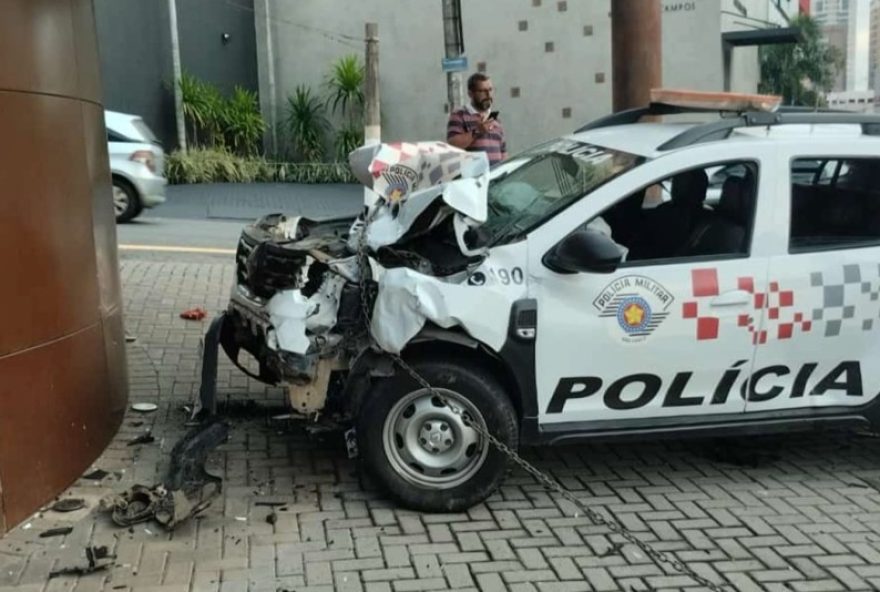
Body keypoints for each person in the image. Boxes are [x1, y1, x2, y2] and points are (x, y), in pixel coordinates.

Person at [446, 72, 508, 165]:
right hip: (473, 178)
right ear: (471, 94)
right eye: (482, 91)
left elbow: (503, 152)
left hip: (497, 177)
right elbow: (453, 145)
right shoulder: (459, 115)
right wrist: (477, 131)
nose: (488, 94)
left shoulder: (495, 119)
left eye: (490, 90)